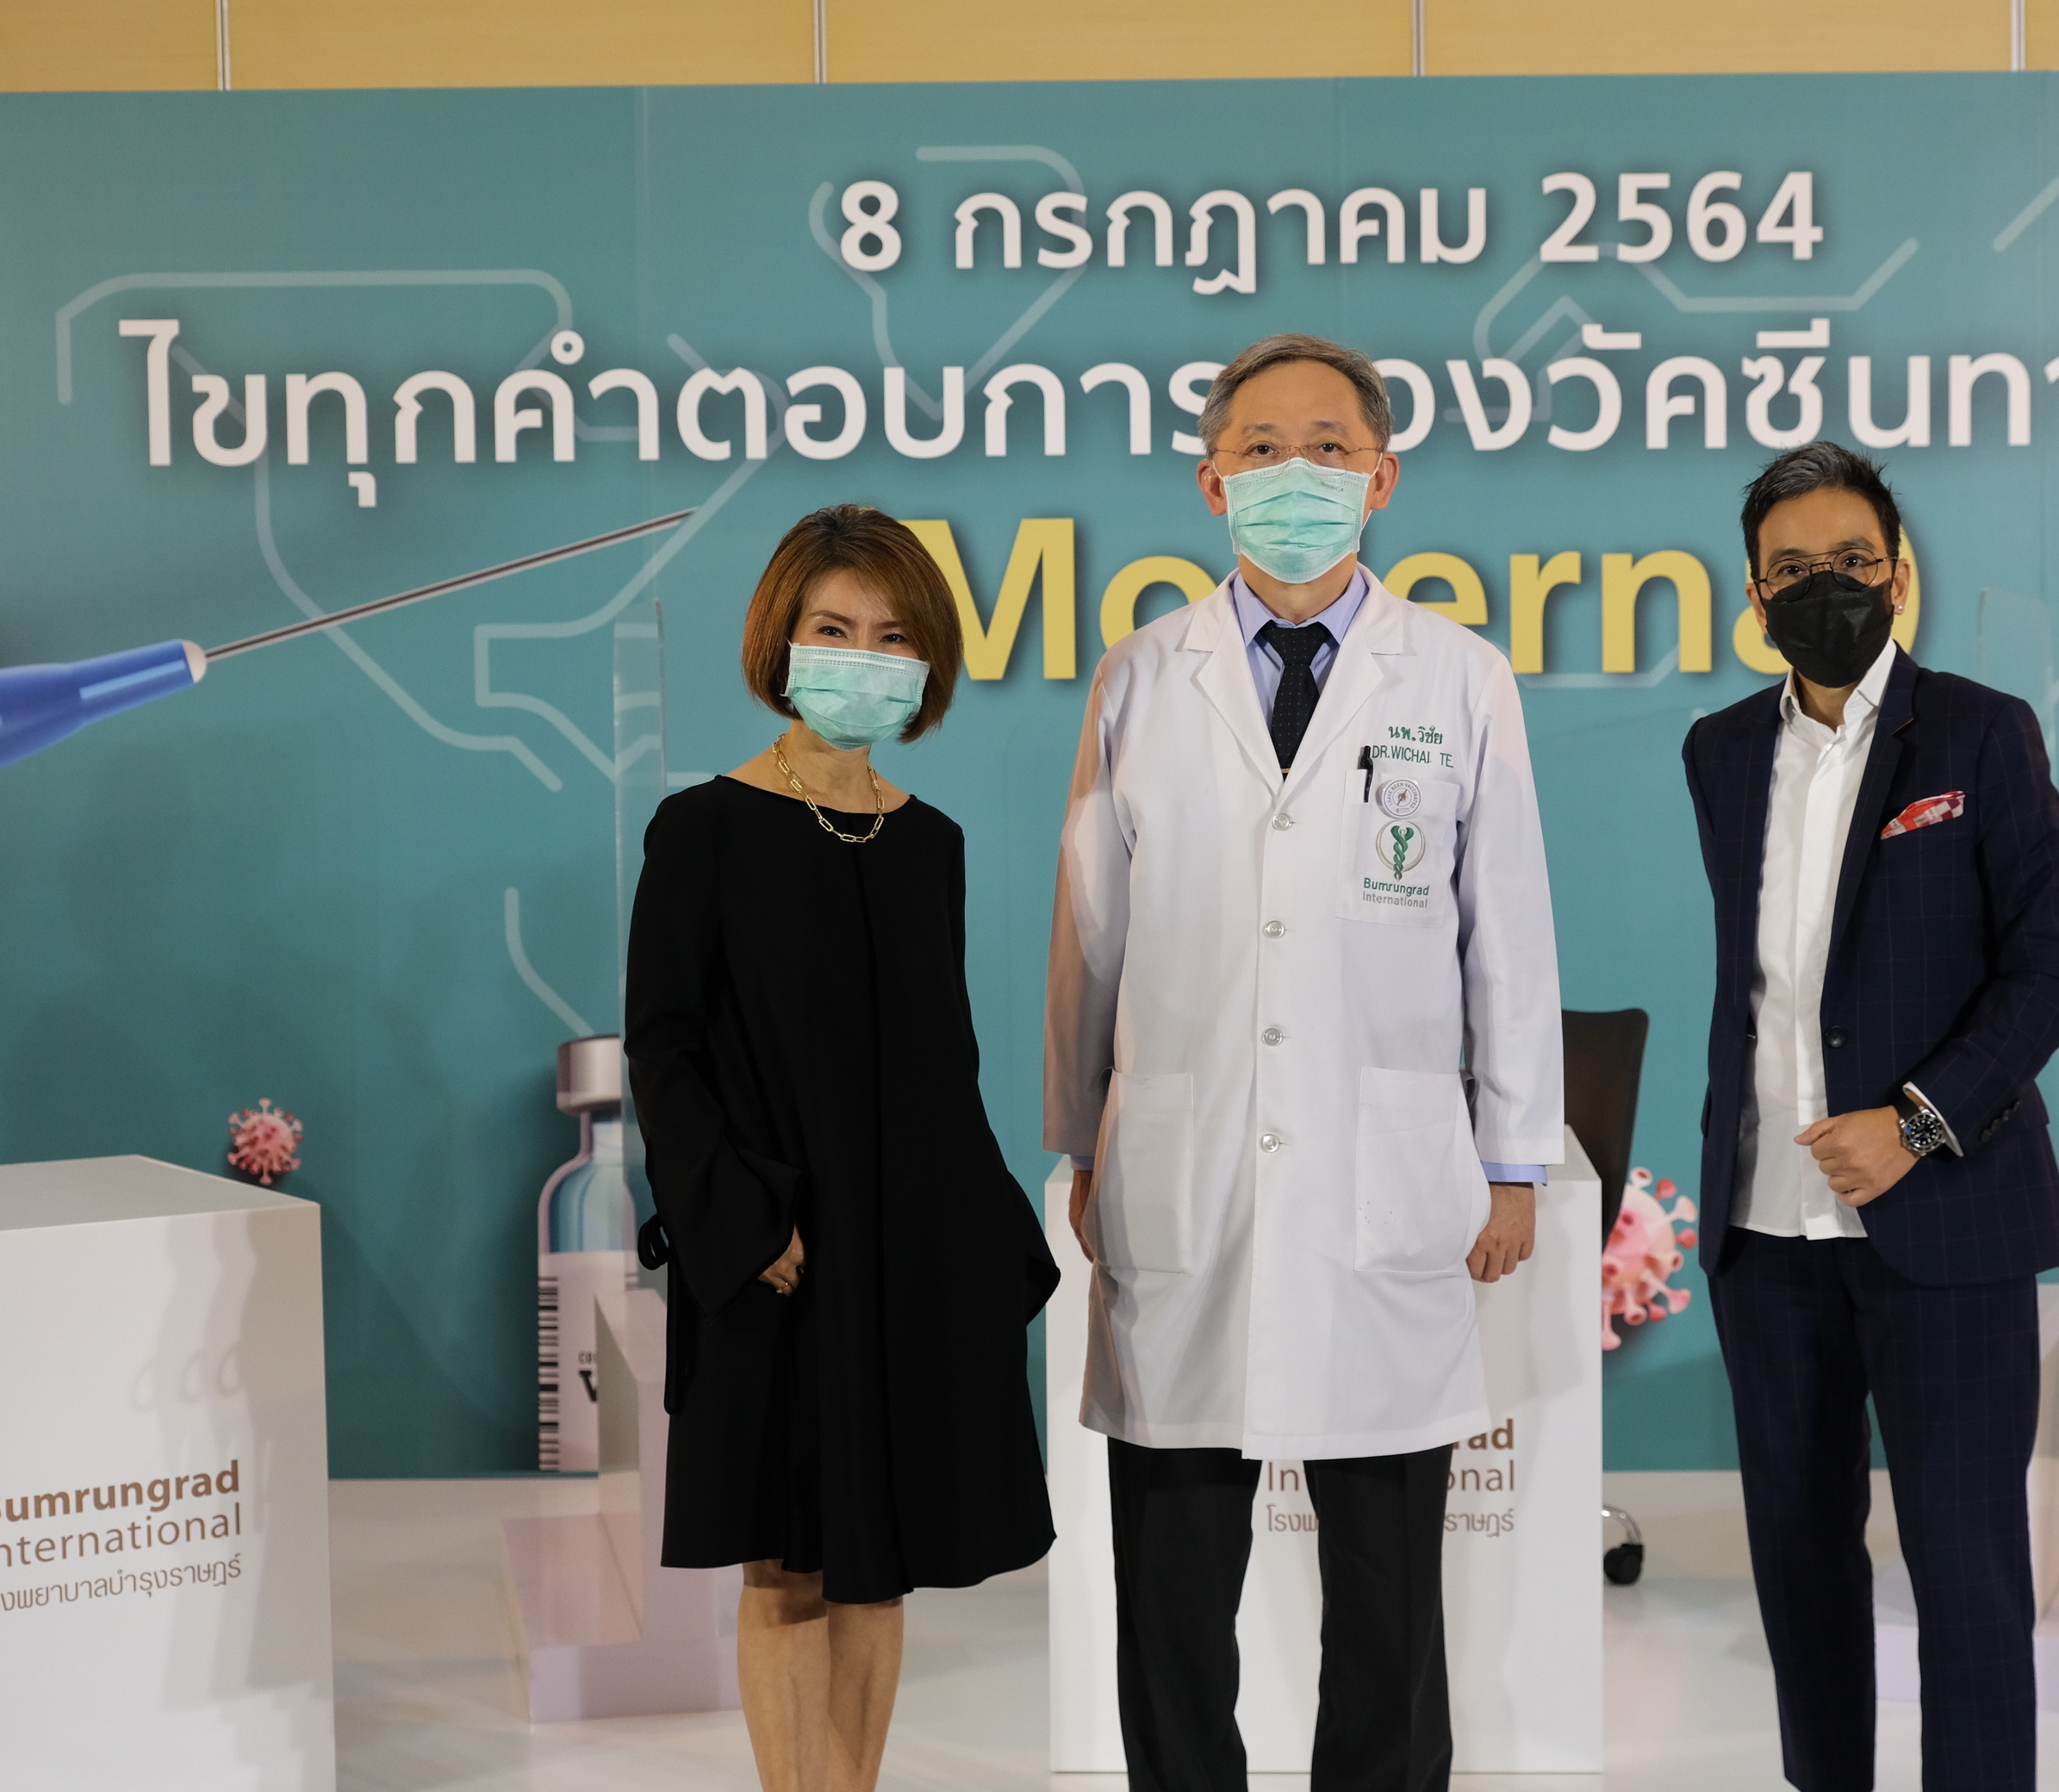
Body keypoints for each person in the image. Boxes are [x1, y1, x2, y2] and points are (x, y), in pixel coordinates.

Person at [1044, 333, 1563, 1792]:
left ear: (1382, 479)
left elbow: (1507, 931)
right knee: (1172, 1595)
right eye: (1261, 449)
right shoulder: (1143, 676)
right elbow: (1089, 932)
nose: (1295, 476)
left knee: (1391, 1601)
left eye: (1328, 449)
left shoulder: (1457, 676)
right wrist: (1082, 1139)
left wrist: (1512, 1159)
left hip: (1385, 1186)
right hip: (1182, 1174)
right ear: (1211, 481)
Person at [1682, 442, 2059, 1792]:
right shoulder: (1720, 750)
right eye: (1794, 569)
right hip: (1766, 1234)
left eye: (1853, 562)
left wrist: (1914, 1121)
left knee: (1967, 1571)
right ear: (1755, 594)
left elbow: (2052, 969)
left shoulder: (1980, 732)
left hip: (1946, 1223)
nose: (1829, 588)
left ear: (1899, 576)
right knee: (1800, 1566)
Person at [625, 504, 1059, 1792]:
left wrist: (983, 1245)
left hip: (908, 1252)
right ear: (782, 639)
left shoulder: (933, 844)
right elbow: (664, 1047)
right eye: (835, 628)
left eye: (892, 636)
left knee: (880, 1569)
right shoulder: (704, 827)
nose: (863, 656)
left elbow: (946, 1064)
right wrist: (739, 1220)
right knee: (788, 1567)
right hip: (774, 1251)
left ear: (928, 661)